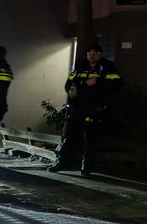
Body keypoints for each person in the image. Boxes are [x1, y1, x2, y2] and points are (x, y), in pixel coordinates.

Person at [49, 44, 123, 176]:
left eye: (95, 53)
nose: (91, 56)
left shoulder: (107, 68)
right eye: (89, 53)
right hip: (79, 106)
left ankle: (86, 167)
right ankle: (61, 162)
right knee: (70, 135)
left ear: (100, 55)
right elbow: (69, 82)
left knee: (90, 138)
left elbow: (118, 84)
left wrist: (98, 81)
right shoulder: (80, 67)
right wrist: (70, 90)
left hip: (96, 108)